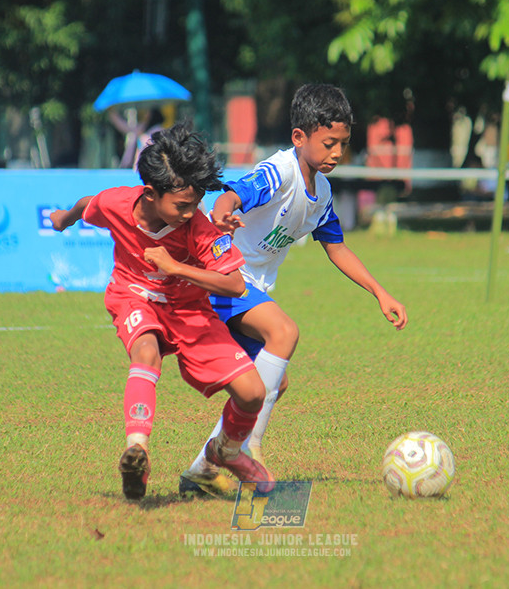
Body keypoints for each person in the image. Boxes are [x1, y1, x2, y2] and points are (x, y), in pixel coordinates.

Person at [179, 83, 408, 497]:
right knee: (283, 333)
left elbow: (336, 248)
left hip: (251, 286)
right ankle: (247, 449)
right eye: (329, 143)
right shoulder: (279, 171)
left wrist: (380, 292)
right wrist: (224, 212)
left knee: (273, 384)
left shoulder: (322, 192)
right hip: (226, 278)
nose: (338, 152)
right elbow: (234, 194)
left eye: (343, 143)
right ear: (299, 138)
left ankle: (200, 469)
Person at [49, 122, 274, 501]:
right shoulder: (118, 203)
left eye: (197, 202)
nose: (192, 212)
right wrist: (64, 218)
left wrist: (177, 268)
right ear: (150, 193)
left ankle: (226, 450)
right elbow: (90, 204)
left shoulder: (200, 229)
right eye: (183, 205)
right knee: (146, 351)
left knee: (252, 393)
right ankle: (138, 449)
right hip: (133, 296)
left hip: (190, 310)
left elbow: (235, 284)